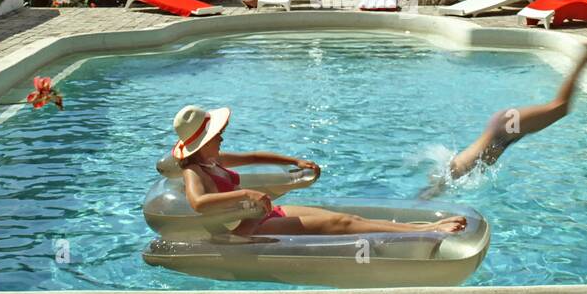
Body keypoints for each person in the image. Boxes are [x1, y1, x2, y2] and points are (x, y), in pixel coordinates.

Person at [171, 104, 467, 235]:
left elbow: (252, 156)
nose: (221, 137)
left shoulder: (214, 160)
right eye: (216, 135)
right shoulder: (194, 172)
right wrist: (247, 192)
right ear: (201, 144)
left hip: (261, 213)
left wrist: (293, 161)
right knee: (340, 224)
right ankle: (427, 231)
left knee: (349, 217)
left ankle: (420, 228)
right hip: (247, 227)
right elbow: (198, 202)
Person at [421, 39, 587, 198]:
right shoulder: (455, 171)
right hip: (502, 130)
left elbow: (432, 190)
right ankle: (586, 58)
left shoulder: (454, 174)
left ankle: (586, 57)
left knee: (560, 107)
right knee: (560, 108)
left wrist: (427, 198)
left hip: (504, 131)